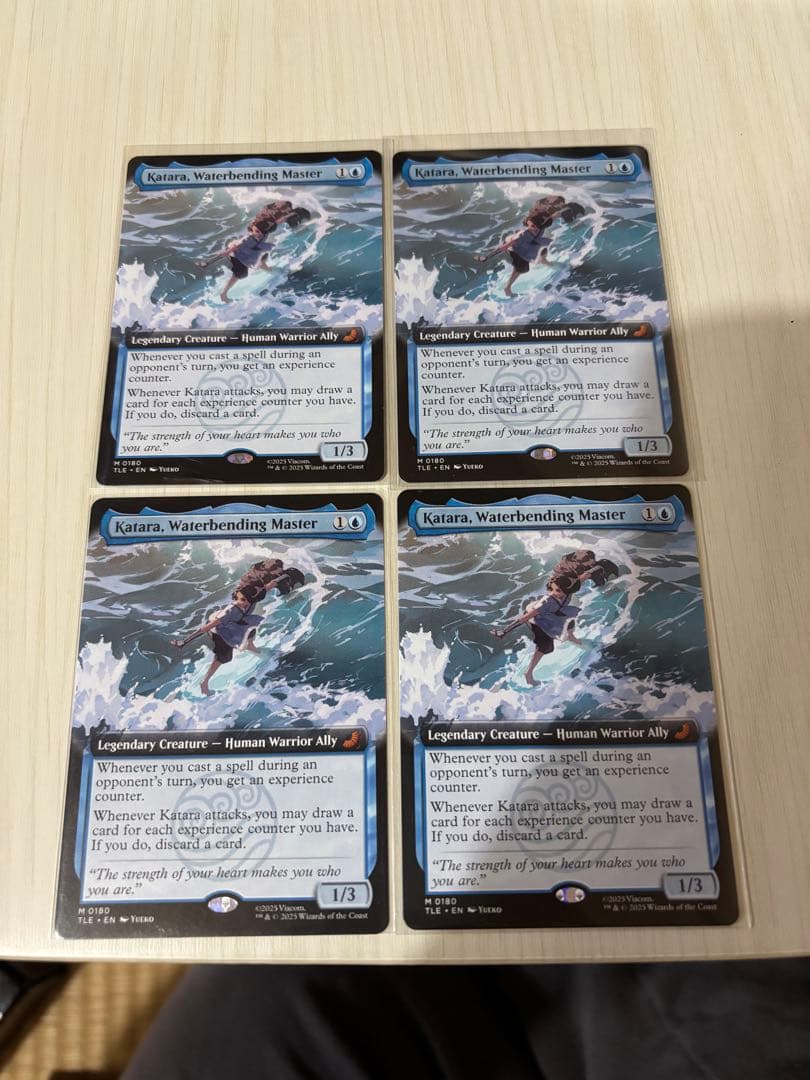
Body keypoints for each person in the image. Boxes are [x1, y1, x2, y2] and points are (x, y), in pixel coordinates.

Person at [475, 195, 583, 297]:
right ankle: (507, 288)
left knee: (543, 250)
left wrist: (568, 208)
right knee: (522, 268)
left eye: (536, 227)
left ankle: (548, 263)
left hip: (531, 242)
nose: (535, 228)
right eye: (533, 227)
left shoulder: (541, 222)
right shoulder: (524, 233)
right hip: (518, 248)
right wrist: (486, 257)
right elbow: (504, 247)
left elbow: (554, 215)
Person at [171, 585, 265, 695]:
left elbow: (266, 587)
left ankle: (250, 646)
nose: (244, 603)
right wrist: (184, 641)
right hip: (218, 631)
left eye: (248, 600)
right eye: (242, 599)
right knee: (225, 657)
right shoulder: (231, 610)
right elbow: (205, 628)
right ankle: (204, 682)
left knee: (250, 627)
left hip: (232, 624)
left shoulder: (250, 603)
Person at [216, 223, 277, 302]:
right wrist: (227, 252)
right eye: (257, 231)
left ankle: (264, 266)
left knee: (263, 255)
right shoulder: (249, 238)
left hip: (248, 252)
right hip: (237, 255)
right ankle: (223, 293)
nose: (258, 234)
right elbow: (237, 245)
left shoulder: (262, 234)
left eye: (261, 232)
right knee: (241, 273)